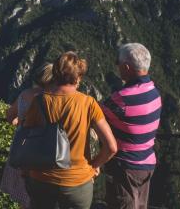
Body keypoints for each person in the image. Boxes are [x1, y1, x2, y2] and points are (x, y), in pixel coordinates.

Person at [23, 51, 117, 209]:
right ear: (78, 76)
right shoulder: (88, 103)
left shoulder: (39, 101)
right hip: (77, 182)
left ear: (55, 73)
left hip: (41, 178)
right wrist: (93, 166)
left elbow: (26, 137)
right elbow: (111, 147)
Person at [100, 43, 161, 209]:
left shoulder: (121, 99)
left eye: (117, 62)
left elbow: (94, 114)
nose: (117, 66)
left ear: (126, 67)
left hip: (125, 167)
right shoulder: (154, 92)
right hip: (147, 164)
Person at [0, 63, 54, 208]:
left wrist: (18, 121)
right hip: (42, 151)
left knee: (22, 193)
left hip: (21, 148)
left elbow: (10, 115)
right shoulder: (53, 99)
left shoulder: (25, 94)